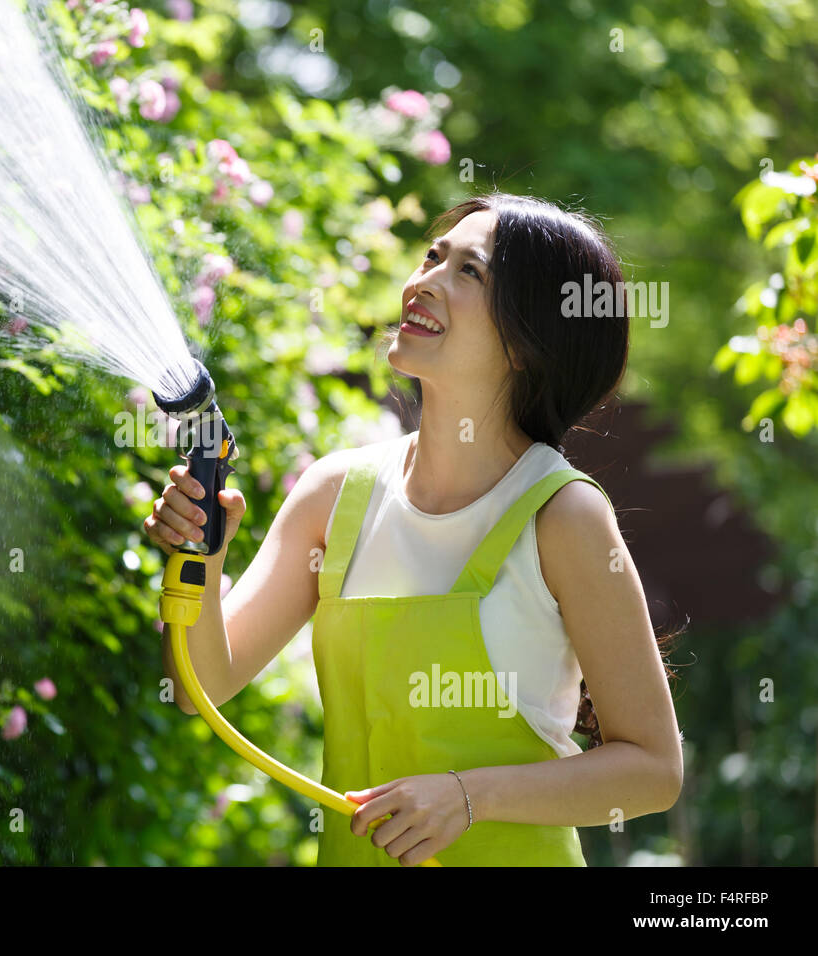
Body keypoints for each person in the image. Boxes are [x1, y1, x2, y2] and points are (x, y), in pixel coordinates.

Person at [144, 191, 683, 866]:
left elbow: (654, 770)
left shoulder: (562, 514)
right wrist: (202, 554)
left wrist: (467, 796)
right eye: (433, 256)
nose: (424, 281)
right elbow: (203, 686)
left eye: (470, 272)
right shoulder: (333, 495)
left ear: (527, 342)